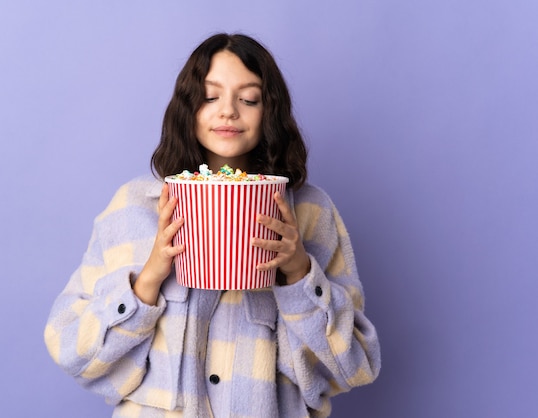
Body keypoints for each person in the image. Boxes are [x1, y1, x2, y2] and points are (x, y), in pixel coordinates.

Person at [44, 33, 381, 417]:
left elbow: (352, 368)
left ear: (269, 111)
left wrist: (300, 274)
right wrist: (147, 281)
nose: (228, 111)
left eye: (249, 99)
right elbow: (72, 350)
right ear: (188, 108)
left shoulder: (309, 213)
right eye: (210, 96)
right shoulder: (134, 207)